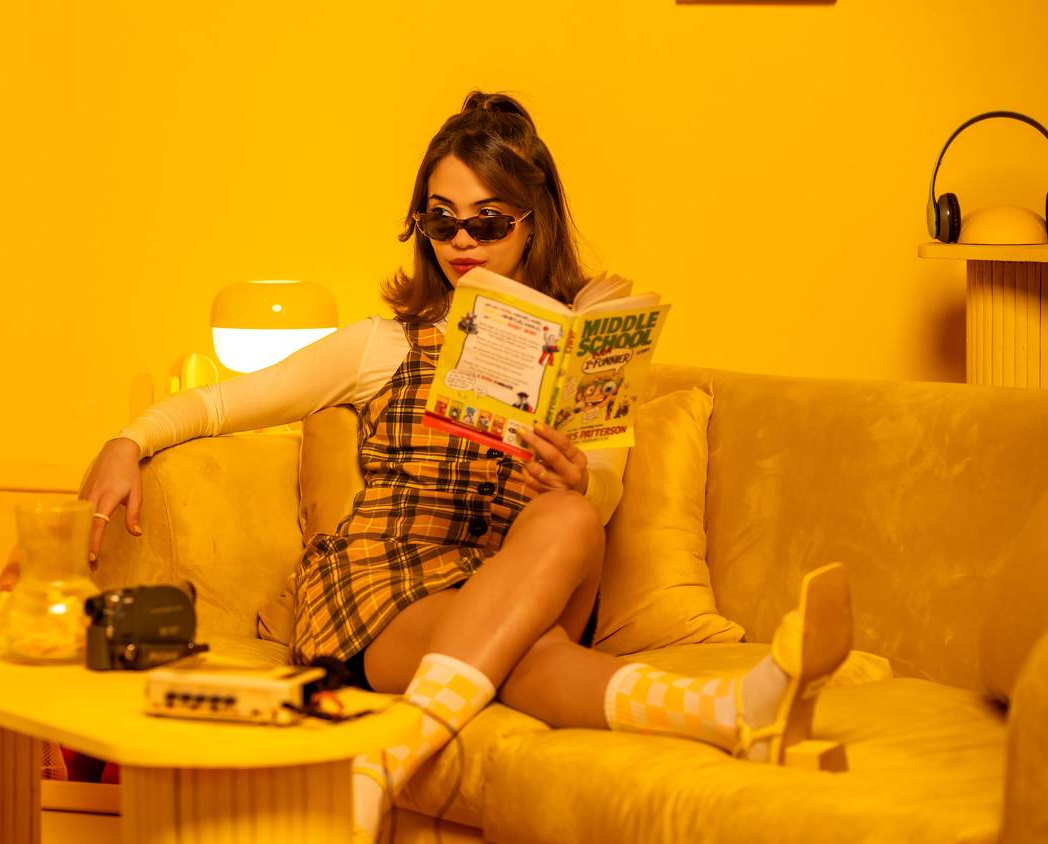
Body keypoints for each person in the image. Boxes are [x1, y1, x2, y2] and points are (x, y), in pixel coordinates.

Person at [78, 91, 853, 842]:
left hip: (521, 572)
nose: (461, 241)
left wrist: (578, 479)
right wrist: (129, 441)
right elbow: (224, 402)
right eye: (440, 219)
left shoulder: (580, 341)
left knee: (570, 515)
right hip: (387, 581)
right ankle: (729, 712)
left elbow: (605, 487)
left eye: (487, 221)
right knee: (530, 657)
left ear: (532, 221)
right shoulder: (384, 344)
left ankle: (385, 757)